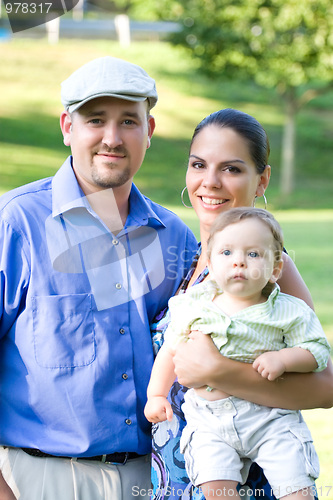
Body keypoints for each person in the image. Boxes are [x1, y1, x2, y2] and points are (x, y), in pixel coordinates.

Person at [0, 56, 198, 500]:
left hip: (152, 479)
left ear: (149, 131)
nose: (113, 138)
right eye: (96, 120)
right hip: (39, 478)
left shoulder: (176, 239)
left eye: (129, 120)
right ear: (67, 127)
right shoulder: (17, 223)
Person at [150, 108, 333, 500]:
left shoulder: (266, 271)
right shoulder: (191, 258)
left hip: (247, 479)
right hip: (183, 475)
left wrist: (220, 370)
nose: (210, 182)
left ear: (261, 179)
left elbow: (326, 386)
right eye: (199, 164)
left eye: (231, 169)